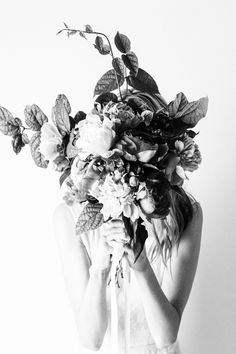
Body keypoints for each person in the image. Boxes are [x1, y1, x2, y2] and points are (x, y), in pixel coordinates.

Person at [52, 184, 203, 354]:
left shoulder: (184, 211)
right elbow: (90, 340)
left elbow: (165, 337)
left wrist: (142, 266)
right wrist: (100, 269)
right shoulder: (70, 215)